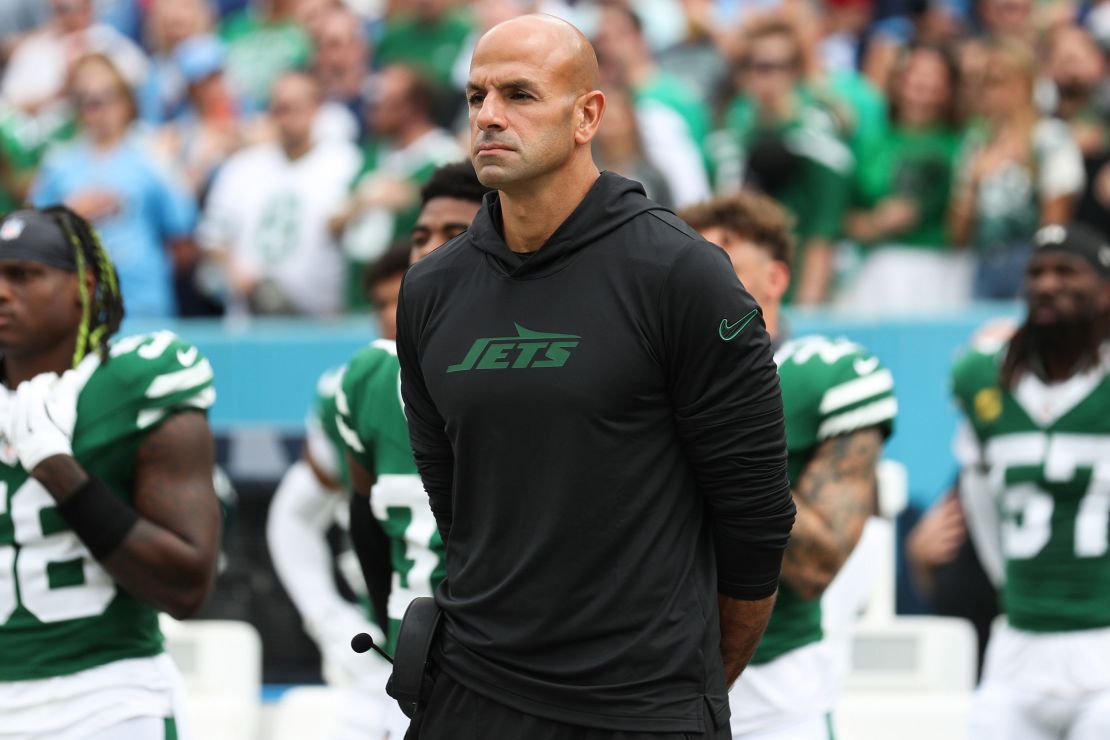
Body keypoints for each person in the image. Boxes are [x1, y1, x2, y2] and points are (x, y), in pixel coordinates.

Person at [396, 14, 795, 739]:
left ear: (588, 116)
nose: (488, 116)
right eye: (477, 94)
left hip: (640, 705)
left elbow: (757, 523)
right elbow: (459, 509)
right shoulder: (430, 291)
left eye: (519, 95)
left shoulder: (682, 275)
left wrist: (684, 687)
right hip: (472, 696)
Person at [268, 161, 491, 740]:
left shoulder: (556, 368)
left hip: (516, 676)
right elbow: (319, 515)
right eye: (420, 235)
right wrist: (338, 621)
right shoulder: (367, 379)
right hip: (405, 674)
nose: (428, 251)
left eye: (453, 234)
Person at [680, 191, 897, 739]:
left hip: (775, 682)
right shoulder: (642, 375)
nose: (699, 269)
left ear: (775, 279)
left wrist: (720, 439)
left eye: (723, 252)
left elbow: (814, 564)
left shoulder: (820, 372)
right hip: (652, 674)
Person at [0, 205, 220, 739]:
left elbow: (187, 586)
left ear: (84, 285)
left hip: (106, 698)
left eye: (23, 275)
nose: (2, 292)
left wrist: (60, 471)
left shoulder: (133, 382)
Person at [951, 221, 1110, 739]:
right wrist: (1010, 586)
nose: (1047, 284)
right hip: (1016, 646)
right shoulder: (981, 374)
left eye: (1067, 271)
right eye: (1036, 272)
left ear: (1104, 289)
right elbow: (979, 500)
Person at [30, 53, 197, 319]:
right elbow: (33, 240)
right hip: (77, 312)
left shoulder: (153, 157)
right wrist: (70, 214)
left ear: (126, 101)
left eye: (109, 97)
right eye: (89, 101)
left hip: (144, 306)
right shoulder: (58, 165)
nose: (99, 110)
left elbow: (183, 239)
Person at [198, 71, 360, 315]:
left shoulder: (345, 163)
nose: (286, 118)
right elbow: (213, 237)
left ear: (316, 108)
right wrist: (233, 272)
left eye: (294, 107)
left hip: (319, 317)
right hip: (250, 314)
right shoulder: (242, 166)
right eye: (279, 109)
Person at [949, 39, 1085, 300]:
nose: (992, 92)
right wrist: (973, 183)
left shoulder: (1050, 138)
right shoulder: (976, 142)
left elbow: (1054, 227)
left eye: (1001, 81)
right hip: (982, 265)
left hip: (1030, 266)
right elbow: (958, 235)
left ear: (1027, 84)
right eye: (986, 82)